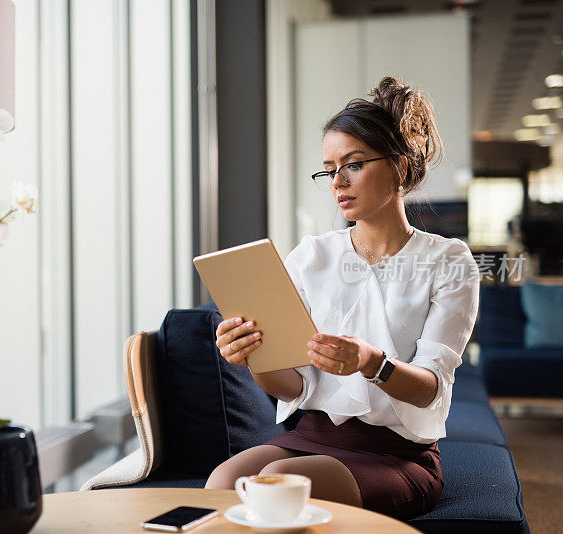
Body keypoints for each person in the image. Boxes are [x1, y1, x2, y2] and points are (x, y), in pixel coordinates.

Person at [204, 76, 480, 520]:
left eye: (352, 164)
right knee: (220, 486)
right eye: (329, 169)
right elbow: (293, 386)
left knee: (278, 485)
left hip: (396, 453)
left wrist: (372, 362)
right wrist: (255, 358)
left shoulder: (449, 261)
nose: (338, 182)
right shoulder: (312, 256)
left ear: (399, 166)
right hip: (310, 435)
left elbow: (430, 390)